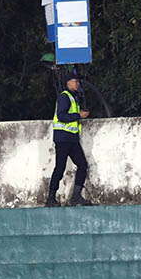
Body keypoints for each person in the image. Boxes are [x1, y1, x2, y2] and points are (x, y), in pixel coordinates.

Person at [45, 70, 94, 207]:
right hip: (63, 138)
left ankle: (76, 197)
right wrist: (78, 115)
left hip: (72, 138)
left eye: (78, 81)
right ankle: (50, 198)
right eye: (75, 81)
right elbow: (61, 116)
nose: (77, 84)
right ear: (68, 83)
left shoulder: (73, 97)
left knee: (82, 164)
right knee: (60, 168)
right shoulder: (64, 97)